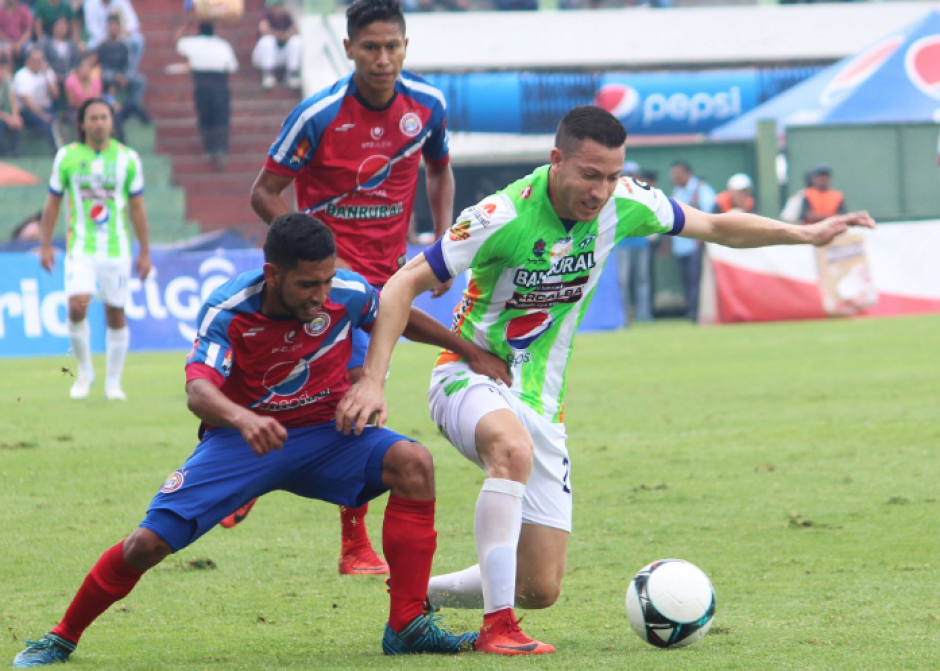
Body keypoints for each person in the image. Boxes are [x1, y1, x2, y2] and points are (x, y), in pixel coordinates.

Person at [335, 105, 875, 656]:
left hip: (542, 399)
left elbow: (715, 226)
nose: (601, 190)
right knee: (510, 449)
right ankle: (498, 626)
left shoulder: (628, 204)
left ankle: (419, 593)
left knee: (540, 586)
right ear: (556, 161)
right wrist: (375, 380)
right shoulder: (501, 214)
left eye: (612, 176)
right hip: (467, 376)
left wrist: (805, 233)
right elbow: (401, 285)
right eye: (590, 174)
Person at [11, 214, 494, 668]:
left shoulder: (344, 292)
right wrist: (244, 420)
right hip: (242, 443)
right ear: (272, 274)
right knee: (147, 543)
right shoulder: (229, 309)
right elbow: (198, 391)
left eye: (326, 281)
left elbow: (396, 312)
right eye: (308, 284)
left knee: (414, 463)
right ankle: (62, 635)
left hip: (327, 436)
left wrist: (468, 350)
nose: (321, 295)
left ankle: (406, 624)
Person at [244, 0, 456, 574]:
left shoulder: (428, 106)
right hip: (332, 289)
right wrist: (310, 262)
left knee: (347, 390)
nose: (383, 59)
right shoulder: (317, 115)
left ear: (406, 47)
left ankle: (246, 463)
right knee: (358, 389)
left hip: (388, 283)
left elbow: (439, 169)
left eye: (393, 47)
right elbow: (265, 192)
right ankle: (351, 541)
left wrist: (443, 244)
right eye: (370, 48)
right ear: (348, 50)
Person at [38, 97, 151, 401]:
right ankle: (85, 372)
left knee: (116, 313)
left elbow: (138, 208)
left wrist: (144, 252)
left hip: (116, 249)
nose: (100, 123)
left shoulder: (128, 159)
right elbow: (53, 202)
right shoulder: (67, 157)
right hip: (80, 247)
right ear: (83, 123)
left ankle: (113, 383)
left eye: (104, 117)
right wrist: (45, 244)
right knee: (77, 306)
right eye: (94, 118)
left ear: (111, 122)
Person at [175, 21, 236, 170]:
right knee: (221, 118)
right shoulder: (223, 45)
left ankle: (209, 149)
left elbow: (178, 43)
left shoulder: (193, 43)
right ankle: (220, 149)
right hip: (220, 85)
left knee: (205, 117)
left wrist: (185, 24)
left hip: (202, 84)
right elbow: (233, 66)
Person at [669, 160, 715, 321]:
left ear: (688, 174)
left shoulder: (701, 189)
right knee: (686, 281)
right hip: (680, 245)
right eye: (673, 174)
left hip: (696, 243)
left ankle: (697, 313)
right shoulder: (677, 191)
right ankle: (691, 311)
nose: (675, 177)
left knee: (697, 280)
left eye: (678, 173)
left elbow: (710, 214)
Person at [616, 159, 652, 325]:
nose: (631, 178)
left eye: (633, 174)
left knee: (642, 280)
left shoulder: (644, 192)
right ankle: (624, 317)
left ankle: (644, 315)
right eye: (628, 175)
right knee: (623, 281)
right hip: (623, 243)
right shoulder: (615, 193)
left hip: (640, 242)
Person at [97, 13, 149, 124]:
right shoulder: (102, 46)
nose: (114, 28)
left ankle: (131, 105)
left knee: (140, 81)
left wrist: (124, 76)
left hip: (122, 75)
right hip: (108, 77)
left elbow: (129, 65)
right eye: (111, 25)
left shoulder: (124, 46)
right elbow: (100, 68)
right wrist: (115, 76)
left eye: (116, 25)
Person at [12, 46, 58, 151]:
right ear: (28, 61)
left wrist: (46, 75)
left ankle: (58, 148)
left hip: (47, 108)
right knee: (44, 121)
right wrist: (42, 115)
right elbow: (26, 101)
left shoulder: (48, 72)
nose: (38, 63)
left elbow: (55, 94)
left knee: (55, 121)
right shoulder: (21, 75)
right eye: (35, 60)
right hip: (28, 111)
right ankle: (51, 148)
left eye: (40, 60)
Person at [83, 0, 144, 73]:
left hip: (119, 36)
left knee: (137, 40)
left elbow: (133, 23)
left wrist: (121, 33)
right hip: (99, 39)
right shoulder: (90, 3)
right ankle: (94, 76)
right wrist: (110, 35)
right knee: (89, 46)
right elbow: (92, 29)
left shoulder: (121, 2)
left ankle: (129, 73)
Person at [251, 0, 301, 89]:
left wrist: (287, 35)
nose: (278, 9)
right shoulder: (265, 15)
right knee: (268, 40)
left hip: (281, 53)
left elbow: (295, 30)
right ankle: (268, 73)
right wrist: (281, 35)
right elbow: (264, 30)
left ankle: (292, 73)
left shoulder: (286, 16)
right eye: (276, 6)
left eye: (280, 6)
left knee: (296, 40)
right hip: (264, 55)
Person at [39, 16, 80, 86]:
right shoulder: (46, 43)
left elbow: (76, 62)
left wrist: (73, 71)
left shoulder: (72, 45)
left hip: (69, 77)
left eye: (65, 26)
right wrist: (52, 73)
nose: (62, 28)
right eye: (60, 25)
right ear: (54, 27)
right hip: (52, 77)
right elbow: (42, 59)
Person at [0, 53, 22, 155]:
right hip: (2, 116)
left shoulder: (7, 80)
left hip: (3, 114)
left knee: (17, 123)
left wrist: (15, 116)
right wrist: (8, 118)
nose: (2, 72)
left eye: (4, 69)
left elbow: (12, 98)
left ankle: (12, 151)